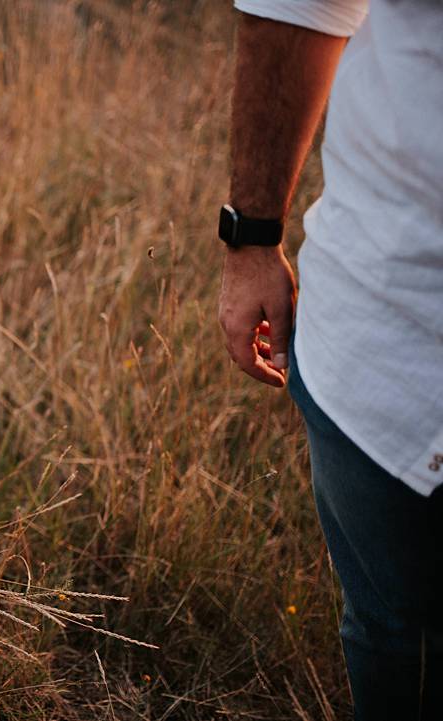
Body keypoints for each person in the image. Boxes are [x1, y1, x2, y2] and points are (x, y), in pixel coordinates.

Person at [217, 1, 443, 718]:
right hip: (390, 350)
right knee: (393, 635)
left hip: (379, 346)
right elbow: (297, 7)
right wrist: (251, 240)